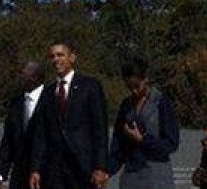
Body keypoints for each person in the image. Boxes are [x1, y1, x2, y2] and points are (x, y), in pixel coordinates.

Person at [29, 41, 109, 189]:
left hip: (84, 167)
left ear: (72, 57)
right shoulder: (47, 92)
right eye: (52, 56)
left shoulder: (90, 86)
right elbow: (41, 134)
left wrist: (101, 167)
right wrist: (35, 169)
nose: (56, 59)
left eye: (60, 55)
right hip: (55, 170)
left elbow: (100, 130)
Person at [108, 58, 179, 188]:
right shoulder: (126, 105)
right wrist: (106, 171)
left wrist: (143, 140)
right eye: (130, 87)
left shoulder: (160, 102)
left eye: (137, 86)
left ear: (145, 79)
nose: (134, 91)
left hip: (156, 175)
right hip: (131, 176)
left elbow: (171, 143)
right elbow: (118, 145)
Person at [0, 61, 46, 189]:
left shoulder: (52, 99)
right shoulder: (16, 104)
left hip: (46, 176)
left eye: (22, 74)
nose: (19, 78)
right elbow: (8, 141)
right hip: (19, 177)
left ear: (34, 77)